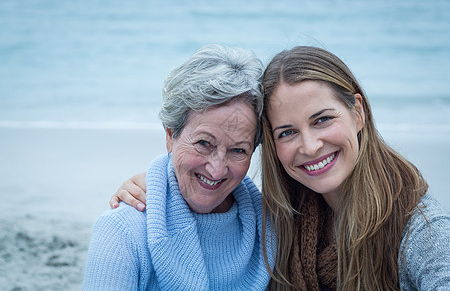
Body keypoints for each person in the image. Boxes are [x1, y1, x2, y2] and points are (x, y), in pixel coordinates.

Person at [112, 46, 450, 290]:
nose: (310, 145)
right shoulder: (281, 217)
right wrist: (160, 185)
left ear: (358, 112)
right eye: (287, 132)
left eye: (323, 120)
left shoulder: (422, 230)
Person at [83, 44, 276, 290]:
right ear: (170, 135)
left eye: (238, 150)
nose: (217, 169)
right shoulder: (122, 231)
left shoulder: (272, 232)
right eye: (204, 143)